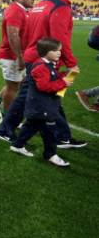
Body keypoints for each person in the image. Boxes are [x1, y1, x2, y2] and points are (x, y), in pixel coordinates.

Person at [0, 0, 86, 149]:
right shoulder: (60, 7)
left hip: (33, 56)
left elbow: (28, 34)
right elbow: (59, 40)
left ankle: (61, 136)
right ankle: (6, 130)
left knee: (49, 98)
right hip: (45, 60)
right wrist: (70, 62)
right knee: (33, 98)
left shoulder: (39, 6)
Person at [9, 38, 73, 167]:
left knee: (31, 126)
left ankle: (17, 145)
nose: (59, 53)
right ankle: (51, 154)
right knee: (50, 131)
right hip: (42, 106)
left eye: (59, 50)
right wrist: (63, 83)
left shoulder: (48, 64)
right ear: (45, 52)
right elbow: (44, 86)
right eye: (55, 51)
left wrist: (62, 76)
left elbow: (50, 78)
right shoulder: (40, 66)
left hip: (41, 105)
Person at [0, 0, 35, 120]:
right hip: (11, 55)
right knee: (12, 86)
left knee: (19, 83)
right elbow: (13, 35)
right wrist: (19, 57)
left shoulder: (21, 10)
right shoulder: (16, 10)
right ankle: (7, 119)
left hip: (15, 54)